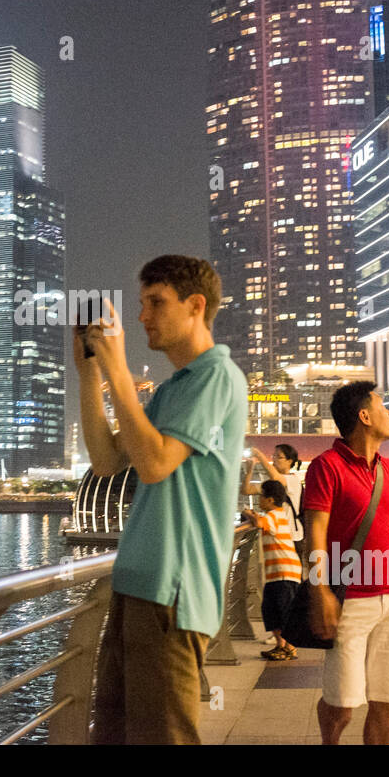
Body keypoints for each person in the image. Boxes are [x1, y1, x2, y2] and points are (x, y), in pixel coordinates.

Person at [80, 255, 247, 744]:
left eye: (156, 302)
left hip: (173, 591)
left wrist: (116, 368)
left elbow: (154, 465)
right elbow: (108, 460)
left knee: (162, 736)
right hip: (136, 584)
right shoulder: (174, 388)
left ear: (196, 306)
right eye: (141, 303)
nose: (142, 316)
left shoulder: (217, 377)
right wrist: (90, 373)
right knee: (114, 734)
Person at [302, 381, 389, 745]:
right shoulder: (325, 467)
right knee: (342, 704)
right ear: (364, 416)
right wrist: (319, 591)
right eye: (384, 406)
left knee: (387, 702)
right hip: (349, 601)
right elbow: (314, 533)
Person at [243, 480, 303, 661]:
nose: (258, 499)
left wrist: (248, 513)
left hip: (285, 572)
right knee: (270, 610)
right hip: (277, 573)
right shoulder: (273, 515)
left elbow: (260, 523)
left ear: (269, 500)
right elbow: (261, 522)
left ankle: (290, 648)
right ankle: (281, 646)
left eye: (261, 496)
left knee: (283, 611)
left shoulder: (275, 515)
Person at [241, 444, 303, 540]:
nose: (274, 459)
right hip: (275, 534)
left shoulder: (293, 480)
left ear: (289, 461)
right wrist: (249, 471)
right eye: (273, 456)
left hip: (292, 536)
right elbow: (246, 490)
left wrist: (258, 454)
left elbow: (276, 478)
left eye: (279, 457)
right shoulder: (272, 483)